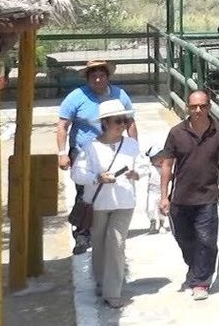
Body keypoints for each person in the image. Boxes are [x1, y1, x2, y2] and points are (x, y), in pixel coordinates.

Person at [159, 90, 219, 301]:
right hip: (180, 198)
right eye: (194, 106)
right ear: (187, 107)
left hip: (208, 197)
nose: (198, 110)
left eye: (202, 106)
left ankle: (201, 282)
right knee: (184, 238)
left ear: (209, 107)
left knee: (207, 240)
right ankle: (195, 268)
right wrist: (164, 195)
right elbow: (167, 164)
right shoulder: (176, 133)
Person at [56, 59, 138, 254]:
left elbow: (130, 122)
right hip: (84, 151)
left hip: (113, 149)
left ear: (108, 77)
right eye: (94, 76)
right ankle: (82, 233)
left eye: (102, 75)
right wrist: (61, 153)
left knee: (112, 188)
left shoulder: (119, 95)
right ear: (88, 78)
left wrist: (134, 147)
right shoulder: (76, 97)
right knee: (85, 191)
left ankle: (107, 227)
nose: (98, 79)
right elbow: (62, 126)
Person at [69, 99, 143, 309]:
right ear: (105, 123)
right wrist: (97, 177)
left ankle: (113, 291)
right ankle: (102, 282)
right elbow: (77, 173)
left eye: (125, 120)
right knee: (100, 245)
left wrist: (137, 173)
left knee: (116, 243)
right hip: (99, 203)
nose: (122, 125)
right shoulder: (90, 147)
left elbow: (144, 165)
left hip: (125, 201)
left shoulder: (131, 144)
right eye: (117, 120)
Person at [139, 142, 168, 234]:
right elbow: (142, 172)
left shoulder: (166, 168)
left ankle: (162, 224)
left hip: (163, 193)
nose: (160, 160)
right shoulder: (150, 168)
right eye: (156, 158)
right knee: (150, 208)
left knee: (162, 209)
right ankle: (152, 221)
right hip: (152, 192)